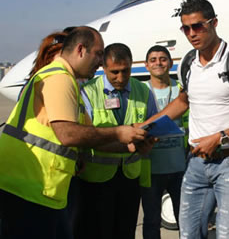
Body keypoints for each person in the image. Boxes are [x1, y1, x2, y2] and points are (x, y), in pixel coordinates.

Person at [0, 26, 147, 239]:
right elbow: (68, 134)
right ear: (80, 50)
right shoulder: (59, 77)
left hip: (44, 191)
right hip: (28, 189)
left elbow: (89, 138)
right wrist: (118, 132)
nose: (100, 61)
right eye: (98, 54)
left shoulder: (70, 83)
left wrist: (131, 145)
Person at [139, 0, 229, 238]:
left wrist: (220, 138)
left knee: (228, 235)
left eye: (197, 26)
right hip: (196, 163)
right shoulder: (187, 63)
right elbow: (182, 102)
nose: (191, 33)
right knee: (188, 234)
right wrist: (146, 126)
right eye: (185, 28)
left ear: (214, 23)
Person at [75, 43, 158, 239]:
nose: (121, 78)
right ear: (103, 67)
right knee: (96, 232)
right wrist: (126, 145)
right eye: (114, 72)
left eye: (126, 71)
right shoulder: (87, 91)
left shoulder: (143, 91)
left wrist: (150, 141)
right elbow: (85, 136)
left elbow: (154, 124)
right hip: (95, 179)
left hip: (129, 178)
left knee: (125, 231)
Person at [140, 45, 188, 239]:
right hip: (151, 169)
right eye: (153, 60)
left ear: (171, 63)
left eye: (162, 59)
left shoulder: (181, 89)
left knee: (185, 219)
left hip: (180, 166)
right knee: (151, 221)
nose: (158, 63)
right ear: (146, 65)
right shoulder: (141, 91)